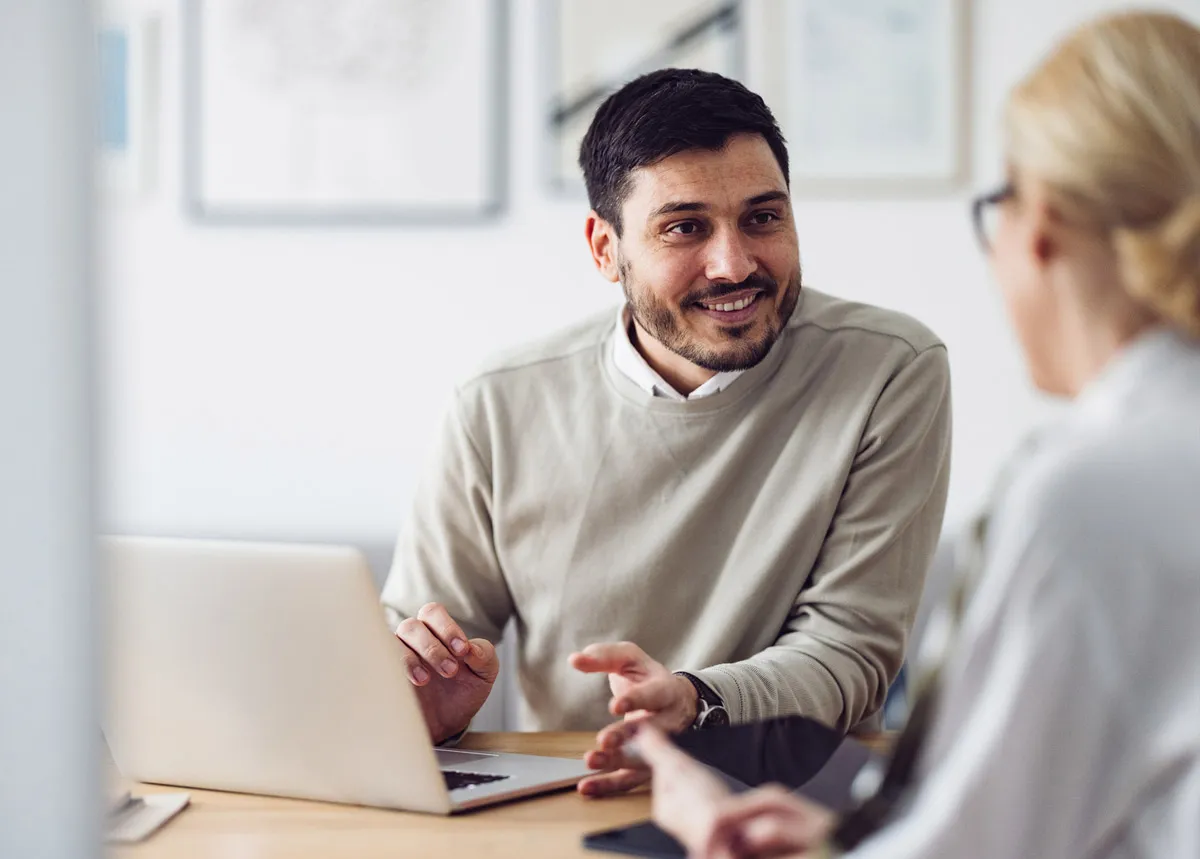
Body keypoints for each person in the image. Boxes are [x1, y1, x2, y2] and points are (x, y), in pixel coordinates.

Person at [631, 10, 1200, 857]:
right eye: (685, 227)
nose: (732, 265)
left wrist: (711, 825)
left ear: (1037, 224)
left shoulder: (1087, 491)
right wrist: (843, 833)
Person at [381, 69, 953, 795]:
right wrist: (426, 702)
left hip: (792, 797)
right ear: (604, 248)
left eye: (762, 217)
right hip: (569, 793)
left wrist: (697, 700)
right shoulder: (498, 401)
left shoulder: (890, 370)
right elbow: (420, 645)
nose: (735, 264)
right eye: (685, 227)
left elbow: (850, 648)